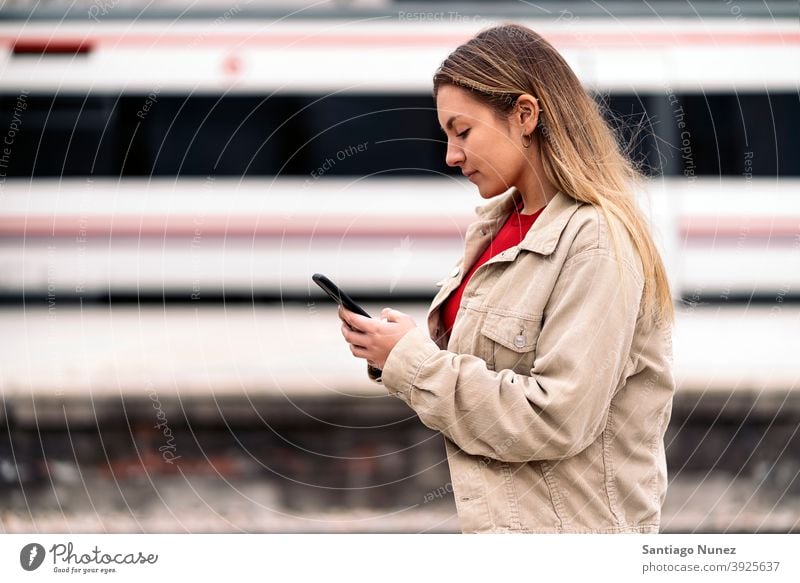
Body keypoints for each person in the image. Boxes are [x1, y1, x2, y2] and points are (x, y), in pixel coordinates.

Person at [337, 23, 675, 534]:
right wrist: (398, 348)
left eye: (462, 131)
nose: (450, 156)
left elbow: (556, 417)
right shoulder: (498, 229)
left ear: (524, 115)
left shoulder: (596, 240)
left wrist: (412, 361)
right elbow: (487, 369)